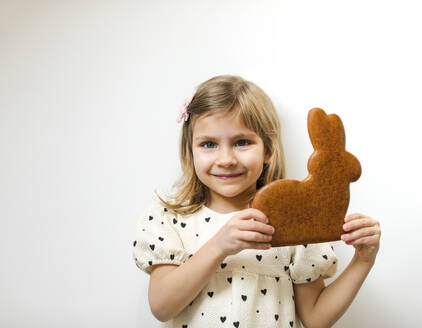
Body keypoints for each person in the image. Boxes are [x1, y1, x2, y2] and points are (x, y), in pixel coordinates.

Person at [132, 75, 381, 328]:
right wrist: (219, 246)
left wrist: (362, 261)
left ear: (268, 150)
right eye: (209, 144)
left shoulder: (293, 219)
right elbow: (162, 307)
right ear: (190, 151)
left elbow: (316, 319)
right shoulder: (169, 219)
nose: (226, 159)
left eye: (242, 142)